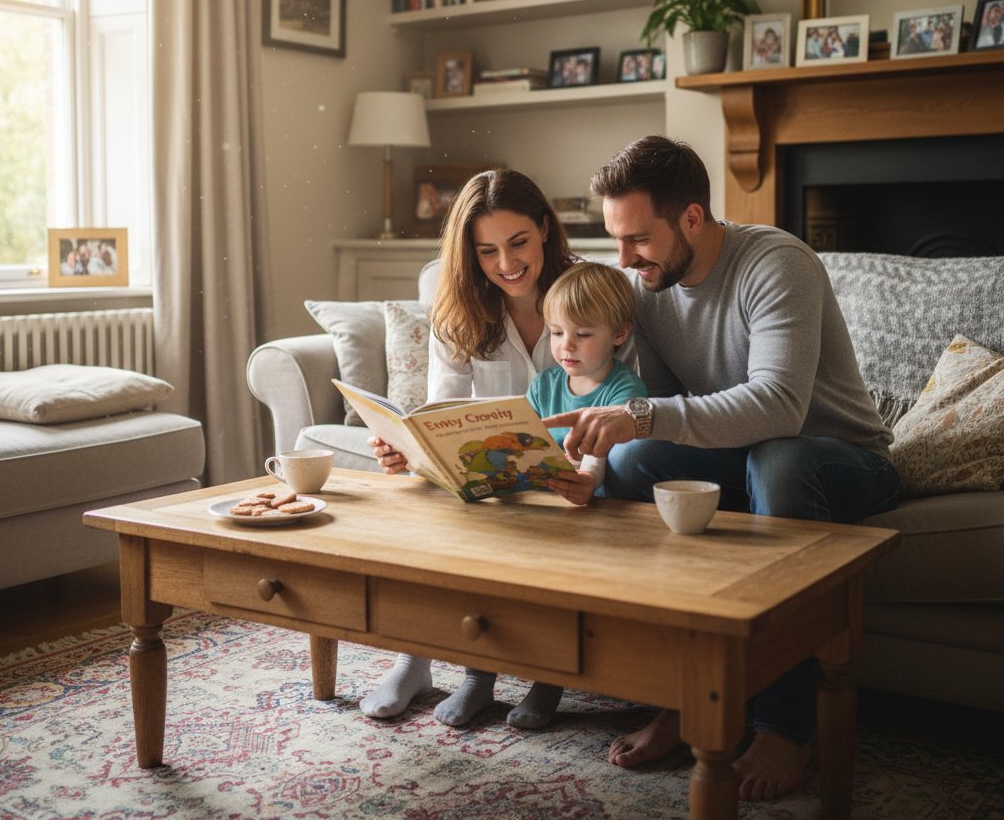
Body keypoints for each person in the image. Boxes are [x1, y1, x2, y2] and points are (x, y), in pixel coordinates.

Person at [543, 136, 900, 802]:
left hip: (842, 457)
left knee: (779, 459)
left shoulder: (775, 263)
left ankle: (782, 725)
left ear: (693, 219)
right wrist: (597, 460)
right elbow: (667, 413)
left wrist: (644, 417)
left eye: (638, 239)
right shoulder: (645, 288)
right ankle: (683, 696)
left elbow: (781, 407)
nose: (623, 260)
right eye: (615, 240)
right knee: (634, 457)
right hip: (744, 457)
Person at [359, 168, 615, 727]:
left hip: (568, 478)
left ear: (546, 229)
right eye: (487, 251)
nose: (507, 263)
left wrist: (590, 470)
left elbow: (618, 399)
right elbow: (439, 413)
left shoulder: (588, 294)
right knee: (426, 504)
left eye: (519, 242)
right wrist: (410, 453)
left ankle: (543, 678)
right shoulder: (459, 312)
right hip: (486, 478)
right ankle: (421, 659)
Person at [500, 261, 647, 729]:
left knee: (560, 586)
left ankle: (548, 683)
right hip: (546, 505)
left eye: (582, 334)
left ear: (619, 333)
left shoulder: (625, 390)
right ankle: (476, 673)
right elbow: (525, 442)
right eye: (557, 332)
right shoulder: (544, 385)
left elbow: (605, 459)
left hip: (600, 513)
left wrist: (587, 478)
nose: (565, 346)